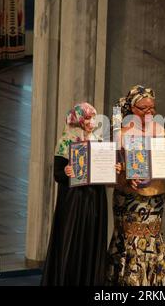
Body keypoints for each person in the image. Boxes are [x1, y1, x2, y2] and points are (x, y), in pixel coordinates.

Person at [41, 102, 113, 286]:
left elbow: (102, 165)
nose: (91, 122)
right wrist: (66, 171)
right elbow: (57, 173)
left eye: (92, 117)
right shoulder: (66, 141)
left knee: (91, 237)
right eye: (87, 118)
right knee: (72, 239)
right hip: (74, 200)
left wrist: (112, 168)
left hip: (94, 197)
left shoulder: (97, 140)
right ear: (79, 120)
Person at [106, 85, 165, 286]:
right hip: (129, 197)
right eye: (144, 108)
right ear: (132, 108)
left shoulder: (160, 130)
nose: (149, 112)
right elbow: (112, 167)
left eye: (152, 108)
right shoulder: (121, 133)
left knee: (152, 238)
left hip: (155, 197)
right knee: (130, 240)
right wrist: (123, 171)